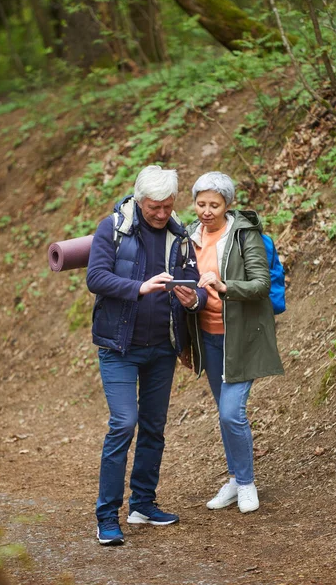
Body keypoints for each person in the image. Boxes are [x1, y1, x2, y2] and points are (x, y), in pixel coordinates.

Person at [86, 165, 207, 546]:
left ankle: (143, 504)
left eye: (168, 206)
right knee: (124, 424)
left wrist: (194, 299)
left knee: (154, 428)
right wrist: (140, 287)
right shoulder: (114, 228)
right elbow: (96, 277)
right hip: (119, 347)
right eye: (154, 207)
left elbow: (195, 282)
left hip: (162, 348)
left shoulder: (180, 234)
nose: (161, 213)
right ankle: (107, 516)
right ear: (140, 201)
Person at [183, 171, 284, 514]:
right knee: (225, 414)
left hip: (240, 338)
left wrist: (225, 286)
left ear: (228, 205)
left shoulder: (243, 235)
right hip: (207, 338)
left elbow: (259, 284)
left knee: (231, 413)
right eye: (201, 203)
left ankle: (246, 484)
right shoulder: (188, 237)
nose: (206, 211)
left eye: (214, 204)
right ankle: (236, 477)